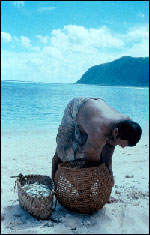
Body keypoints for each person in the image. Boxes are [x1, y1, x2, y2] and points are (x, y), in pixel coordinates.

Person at [52, 97, 142, 187]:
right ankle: (54, 185)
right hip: (76, 108)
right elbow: (90, 164)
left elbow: (110, 145)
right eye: (121, 144)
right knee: (64, 151)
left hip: (93, 112)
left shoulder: (126, 122)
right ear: (115, 132)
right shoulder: (98, 132)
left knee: (98, 157)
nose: (122, 147)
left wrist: (109, 171)